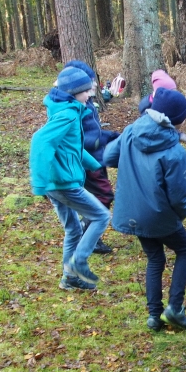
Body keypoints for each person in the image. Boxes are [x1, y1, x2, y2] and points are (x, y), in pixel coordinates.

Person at [104, 88, 186, 331]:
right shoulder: (175, 151)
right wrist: (182, 214)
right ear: (176, 119)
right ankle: (174, 309)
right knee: (185, 250)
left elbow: (109, 156)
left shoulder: (132, 131)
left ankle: (154, 315)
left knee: (155, 257)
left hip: (132, 211)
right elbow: (177, 195)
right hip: (159, 214)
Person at [29, 66, 112, 291]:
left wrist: (96, 164)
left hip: (57, 183)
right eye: (85, 91)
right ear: (74, 93)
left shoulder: (67, 109)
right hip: (64, 183)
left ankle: (69, 278)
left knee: (74, 229)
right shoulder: (67, 114)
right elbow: (40, 141)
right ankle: (79, 262)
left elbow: (71, 147)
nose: (90, 94)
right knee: (102, 217)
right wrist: (38, 183)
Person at [63, 60, 119, 254]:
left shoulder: (86, 102)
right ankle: (89, 233)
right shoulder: (75, 108)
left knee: (100, 195)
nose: (94, 84)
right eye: (90, 81)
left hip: (96, 158)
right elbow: (84, 138)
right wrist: (104, 139)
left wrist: (110, 135)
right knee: (103, 195)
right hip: (88, 160)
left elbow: (94, 130)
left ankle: (87, 229)